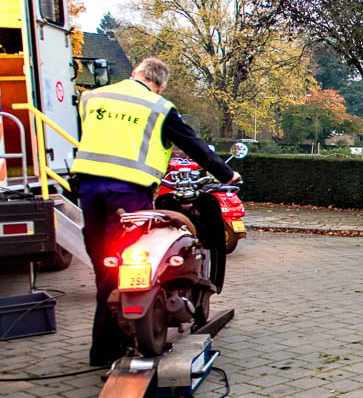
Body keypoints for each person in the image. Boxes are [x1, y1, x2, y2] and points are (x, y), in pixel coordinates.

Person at [72, 57, 241, 366]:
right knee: (134, 267)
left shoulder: (92, 97)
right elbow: (193, 144)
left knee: (105, 268)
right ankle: (122, 342)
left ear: (134, 74)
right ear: (160, 85)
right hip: (128, 193)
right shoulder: (159, 107)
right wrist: (227, 175)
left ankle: (103, 348)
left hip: (88, 190)